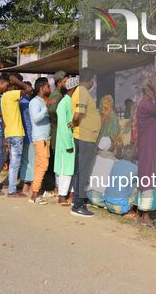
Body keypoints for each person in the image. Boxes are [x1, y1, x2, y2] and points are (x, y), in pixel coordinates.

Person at [135, 77, 156, 227]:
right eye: (153, 91)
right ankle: (145, 216)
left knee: (150, 179)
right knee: (148, 180)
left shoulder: (146, 105)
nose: (155, 93)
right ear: (147, 92)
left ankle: (142, 215)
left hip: (151, 149)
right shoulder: (145, 105)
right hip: (149, 150)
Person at [71, 68, 102, 217]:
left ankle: (78, 202)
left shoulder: (78, 91)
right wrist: (73, 122)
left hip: (84, 136)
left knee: (79, 171)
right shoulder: (83, 91)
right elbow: (79, 113)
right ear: (91, 80)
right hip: (86, 137)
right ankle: (78, 205)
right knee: (83, 172)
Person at [0, 74, 33, 198]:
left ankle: (12, 188)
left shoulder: (3, 97)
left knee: (13, 163)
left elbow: (3, 118)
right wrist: (18, 82)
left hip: (9, 133)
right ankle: (12, 191)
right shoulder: (12, 95)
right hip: (16, 133)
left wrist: (4, 136)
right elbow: (29, 90)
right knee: (15, 164)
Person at [28, 77, 52, 205]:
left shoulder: (43, 101)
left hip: (45, 138)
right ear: (41, 88)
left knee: (40, 166)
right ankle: (35, 195)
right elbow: (36, 119)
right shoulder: (34, 102)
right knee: (42, 166)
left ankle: (37, 190)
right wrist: (46, 107)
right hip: (40, 138)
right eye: (48, 86)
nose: (50, 88)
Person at [54, 77, 77, 206]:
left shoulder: (71, 102)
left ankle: (68, 193)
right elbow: (63, 126)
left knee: (70, 169)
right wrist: (68, 144)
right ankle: (62, 196)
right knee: (65, 170)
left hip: (70, 140)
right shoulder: (63, 103)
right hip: (65, 142)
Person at [104, 144, 138, 215]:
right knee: (137, 183)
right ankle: (136, 210)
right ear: (135, 154)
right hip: (121, 208)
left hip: (107, 203)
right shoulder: (136, 168)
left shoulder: (115, 163)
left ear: (122, 152)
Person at [87, 137, 117, 208]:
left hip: (90, 194)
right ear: (110, 146)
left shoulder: (94, 158)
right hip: (103, 197)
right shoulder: (115, 162)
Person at [19, 81, 35, 195]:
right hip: (29, 135)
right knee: (32, 161)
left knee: (25, 161)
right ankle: (29, 187)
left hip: (22, 135)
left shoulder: (20, 101)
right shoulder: (27, 103)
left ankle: (24, 185)